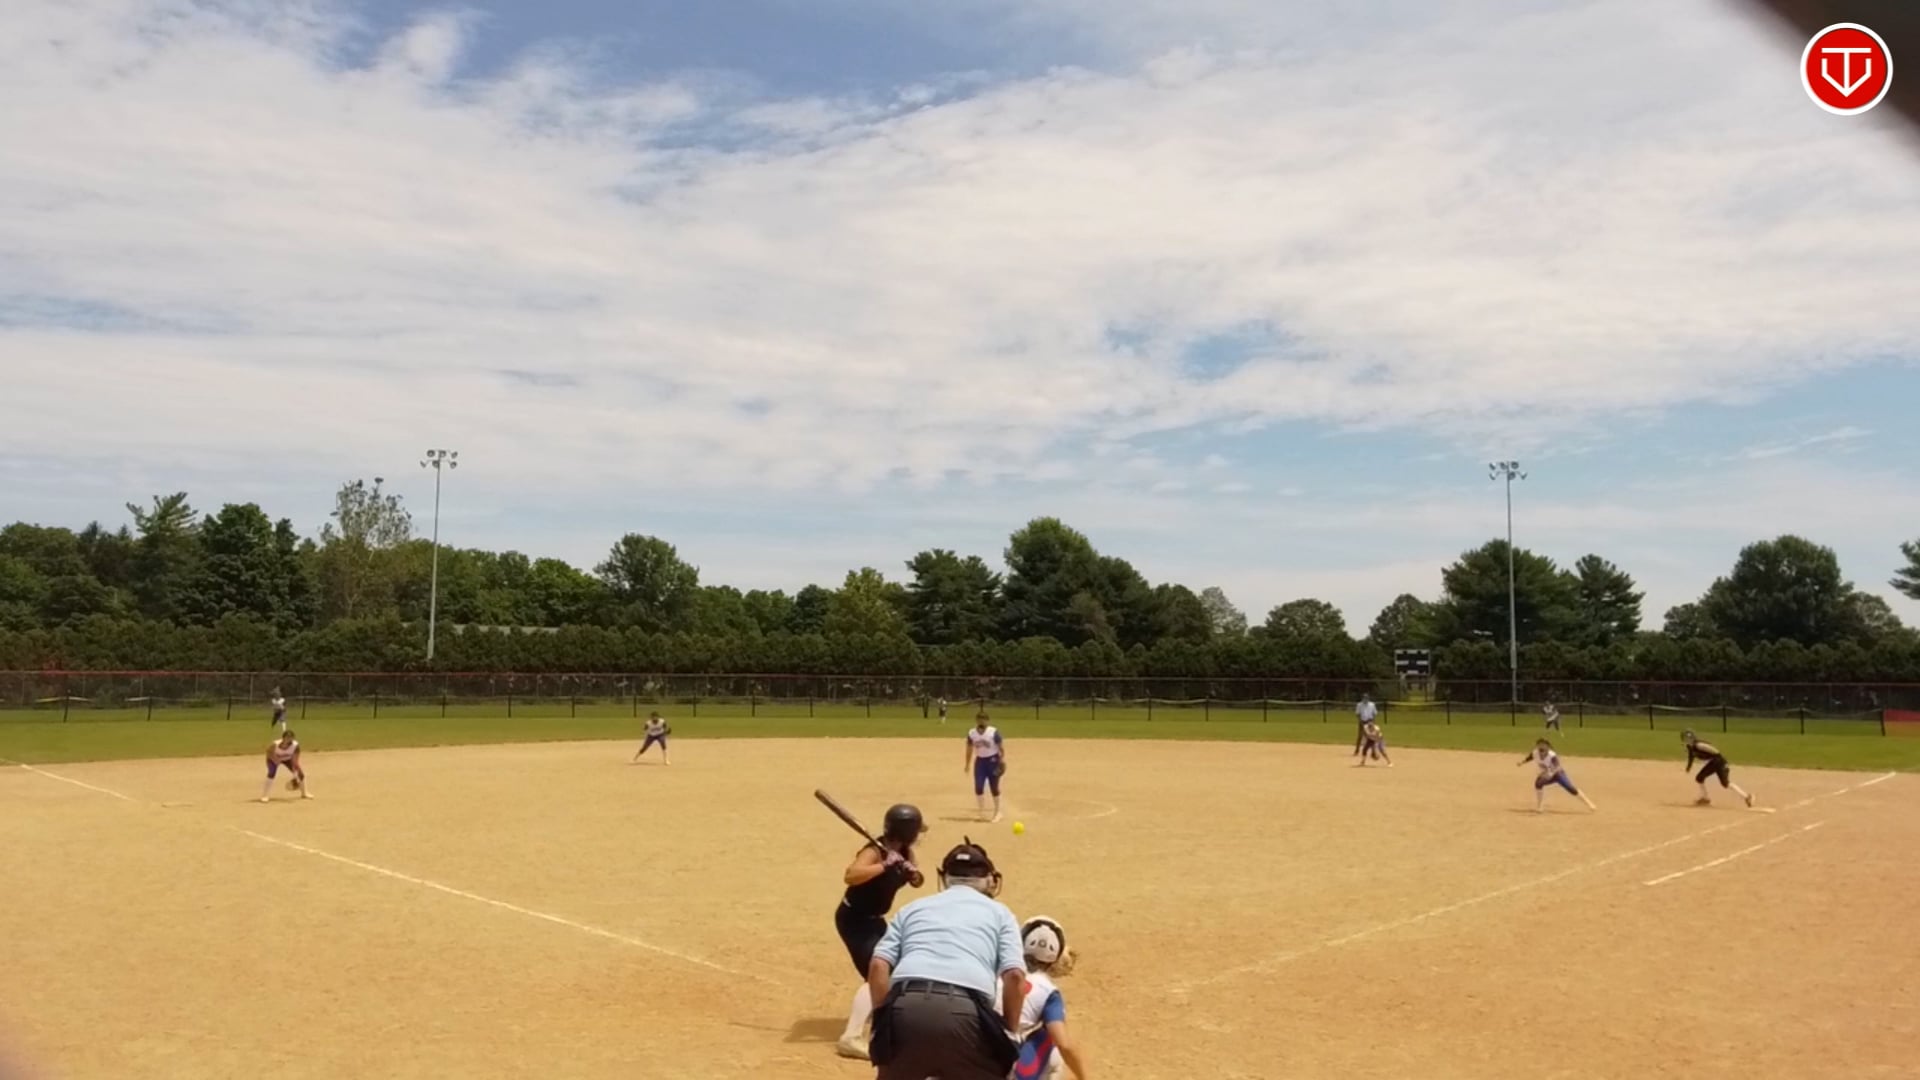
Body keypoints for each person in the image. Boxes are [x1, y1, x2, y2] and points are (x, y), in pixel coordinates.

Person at [867, 839, 1025, 1080]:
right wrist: (1010, 1030)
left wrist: (882, 1020)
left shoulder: (913, 908)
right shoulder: (1001, 914)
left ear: (944, 877)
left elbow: (878, 965)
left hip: (905, 1009)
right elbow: (1014, 976)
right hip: (966, 1013)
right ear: (989, 880)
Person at [835, 804, 929, 1061]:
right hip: (854, 920)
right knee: (876, 974)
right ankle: (851, 1037)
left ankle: (884, 1017)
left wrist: (911, 872)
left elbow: (917, 879)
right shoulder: (874, 851)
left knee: (895, 968)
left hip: (875, 921)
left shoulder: (905, 851)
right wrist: (884, 866)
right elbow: (851, 875)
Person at [1008, 916, 1091, 1080]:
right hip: (1008, 1066)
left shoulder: (998, 970)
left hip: (973, 1056)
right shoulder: (1048, 991)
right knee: (1050, 1040)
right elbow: (1064, 1045)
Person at [1518, 738, 1595, 812]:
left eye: (1543, 745)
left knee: (1570, 788)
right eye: (1539, 745)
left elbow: (1558, 767)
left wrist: (1551, 774)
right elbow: (1530, 757)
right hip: (1545, 775)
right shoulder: (1535, 753)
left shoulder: (1552, 755)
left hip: (1558, 775)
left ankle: (1589, 803)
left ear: (1548, 747)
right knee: (1538, 784)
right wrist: (1522, 762)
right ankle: (1539, 807)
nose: (1541, 747)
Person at [1682, 730, 1755, 808]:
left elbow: (1716, 752)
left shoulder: (1699, 745)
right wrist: (1688, 767)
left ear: (1693, 738)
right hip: (1714, 763)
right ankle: (1705, 797)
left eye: (1689, 738)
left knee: (1725, 783)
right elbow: (1691, 757)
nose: (1688, 740)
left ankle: (1747, 797)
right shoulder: (1690, 748)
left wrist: (1719, 761)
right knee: (1699, 778)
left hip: (1719, 762)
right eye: (1686, 739)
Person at [964, 712, 1007, 822]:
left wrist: (1001, 760)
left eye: (984, 719)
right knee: (978, 787)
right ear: (976, 720)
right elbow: (969, 749)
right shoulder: (972, 733)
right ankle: (981, 812)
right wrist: (967, 764)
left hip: (993, 761)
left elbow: (1001, 747)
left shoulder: (993, 732)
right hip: (980, 762)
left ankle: (997, 813)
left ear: (987, 721)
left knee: (994, 787)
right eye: (979, 719)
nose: (981, 721)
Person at [260, 730, 312, 803]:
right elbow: (269, 752)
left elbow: (295, 761)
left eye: (291, 737)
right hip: (272, 758)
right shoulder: (275, 744)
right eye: (287, 737)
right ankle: (265, 796)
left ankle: (304, 793)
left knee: (300, 774)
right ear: (283, 738)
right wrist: (276, 760)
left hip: (288, 759)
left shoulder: (295, 746)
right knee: (271, 773)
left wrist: (295, 775)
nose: (289, 739)